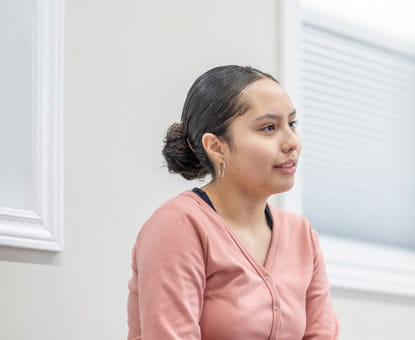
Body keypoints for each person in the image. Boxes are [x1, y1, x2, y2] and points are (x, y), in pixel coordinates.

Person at [127, 65, 339, 339]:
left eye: (292, 124)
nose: (291, 142)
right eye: (268, 127)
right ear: (216, 147)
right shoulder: (178, 226)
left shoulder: (302, 236)